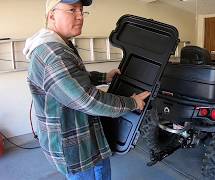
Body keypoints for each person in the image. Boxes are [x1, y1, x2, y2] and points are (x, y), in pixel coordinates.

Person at [23, 0, 150, 179]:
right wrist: (132, 103)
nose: (80, 16)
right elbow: (87, 100)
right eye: (72, 10)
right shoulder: (51, 53)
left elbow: (74, 78)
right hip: (73, 145)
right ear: (51, 14)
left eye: (82, 11)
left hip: (88, 136)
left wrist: (103, 77)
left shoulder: (62, 44)